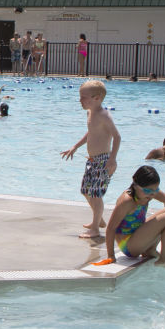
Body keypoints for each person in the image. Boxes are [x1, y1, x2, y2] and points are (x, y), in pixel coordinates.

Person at [60, 79, 120, 239]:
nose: (80, 100)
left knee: (95, 194)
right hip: (92, 160)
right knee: (85, 191)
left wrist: (112, 159)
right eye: (80, 97)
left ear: (97, 98)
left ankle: (95, 228)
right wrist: (75, 146)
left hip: (103, 160)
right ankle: (98, 219)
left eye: (84, 97)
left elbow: (117, 137)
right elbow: (91, 133)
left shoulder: (104, 116)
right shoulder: (90, 113)